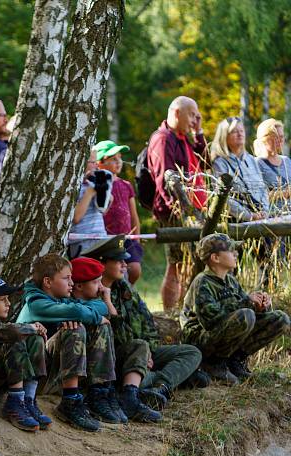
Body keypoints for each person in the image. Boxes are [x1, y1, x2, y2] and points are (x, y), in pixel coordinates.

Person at [82, 237, 207, 404]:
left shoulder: (125, 288)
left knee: (191, 352)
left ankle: (161, 385)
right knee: (141, 354)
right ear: (102, 264)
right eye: (119, 261)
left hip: (142, 351)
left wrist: (150, 352)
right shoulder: (91, 294)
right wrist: (109, 304)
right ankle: (164, 380)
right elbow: (115, 337)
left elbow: (148, 323)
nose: (125, 265)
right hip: (117, 359)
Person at [16, 253, 115, 432]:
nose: (71, 283)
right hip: (30, 376)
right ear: (48, 282)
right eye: (66, 278)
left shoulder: (60, 299)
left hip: (51, 372)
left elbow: (101, 307)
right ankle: (70, 400)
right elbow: (80, 310)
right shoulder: (36, 304)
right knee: (75, 329)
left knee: (100, 327)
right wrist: (79, 315)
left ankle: (99, 392)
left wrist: (79, 314)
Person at [181, 233, 291, 384]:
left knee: (280, 319)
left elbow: (243, 308)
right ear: (215, 258)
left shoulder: (230, 280)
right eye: (231, 250)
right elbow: (210, 320)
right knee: (246, 315)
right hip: (199, 339)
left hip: (219, 332)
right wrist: (246, 302)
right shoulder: (203, 282)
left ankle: (235, 361)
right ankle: (213, 364)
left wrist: (259, 306)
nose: (236, 253)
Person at [68, 257, 161, 423]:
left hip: (107, 366)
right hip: (82, 371)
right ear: (79, 286)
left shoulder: (101, 301)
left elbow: (118, 333)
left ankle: (127, 395)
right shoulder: (68, 304)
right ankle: (99, 395)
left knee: (141, 345)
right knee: (99, 328)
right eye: (97, 283)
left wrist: (107, 301)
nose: (102, 287)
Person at [146, 96, 207, 311]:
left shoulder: (183, 137)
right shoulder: (163, 139)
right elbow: (164, 179)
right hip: (174, 212)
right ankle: (171, 313)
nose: (194, 119)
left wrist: (198, 131)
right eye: (192, 114)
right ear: (176, 113)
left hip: (192, 210)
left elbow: (205, 159)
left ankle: (183, 309)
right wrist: (181, 211)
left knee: (187, 264)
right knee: (177, 264)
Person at [0, 276, 52, 432]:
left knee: (35, 339)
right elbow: (8, 331)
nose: (8, 303)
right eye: (2, 299)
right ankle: (15, 402)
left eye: (8, 298)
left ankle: (28, 399)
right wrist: (32, 327)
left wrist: (34, 331)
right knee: (13, 338)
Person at [95, 140, 143, 283]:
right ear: (99, 163)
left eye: (120, 158)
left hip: (127, 238)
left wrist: (137, 239)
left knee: (134, 268)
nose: (119, 162)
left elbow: (133, 216)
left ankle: (127, 294)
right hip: (107, 239)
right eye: (113, 159)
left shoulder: (126, 185)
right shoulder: (97, 185)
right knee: (110, 271)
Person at [210, 117, 270, 222]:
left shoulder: (251, 159)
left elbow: (262, 188)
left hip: (261, 218)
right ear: (224, 136)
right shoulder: (219, 163)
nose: (240, 134)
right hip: (235, 223)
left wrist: (265, 211)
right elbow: (223, 198)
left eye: (241, 130)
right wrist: (249, 216)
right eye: (234, 131)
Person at [69, 149, 112, 255]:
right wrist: (89, 193)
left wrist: (106, 198)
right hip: (81, 243)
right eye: (93, 162)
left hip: (100, 237)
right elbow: (76, 218)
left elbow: (101, 212)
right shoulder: (73, 187)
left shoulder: (90, 183)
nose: (96, 166)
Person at [254, 118, 291, 211]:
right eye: (275, 136)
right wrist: (286, 192)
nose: (280, 140)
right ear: (264, 139)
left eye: (282, 136)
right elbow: (256, 197)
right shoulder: (257, 163)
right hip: (271, 219)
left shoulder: (287, 161)